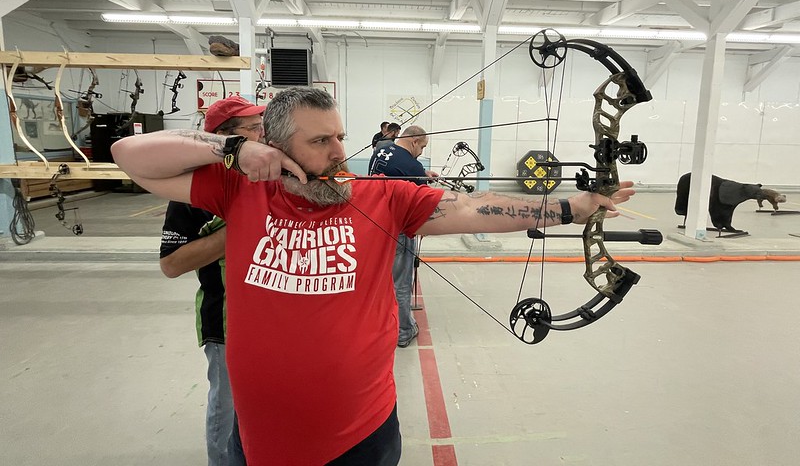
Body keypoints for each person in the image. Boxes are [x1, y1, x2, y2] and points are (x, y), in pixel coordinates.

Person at [111, 87, 634, 466]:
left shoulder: (383, 198)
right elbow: (127, 156)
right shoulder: (239, 193)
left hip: (362, 435)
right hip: (265, 432)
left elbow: (476, 207)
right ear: (275, 149)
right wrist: (228, 149)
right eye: (321, 142)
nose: (341, 152)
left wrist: (570, 206)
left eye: (339, 136)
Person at [159, 94, 265, 466]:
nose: (264, 134)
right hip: (226, 321)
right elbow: (171, 265)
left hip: (272, 321)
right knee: (228, 407)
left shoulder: (265, 178)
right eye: (254, 129)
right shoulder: (195, 190)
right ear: (225, 138)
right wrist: (237, 230)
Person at [368, 125, 438, 347]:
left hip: (376, 223)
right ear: (414, 141)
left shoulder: (382, 149)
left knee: (383, 279)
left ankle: (382, 323)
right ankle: (404, 331)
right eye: (422, 146)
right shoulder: (411, 164)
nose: (421, 152)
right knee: (401, 282)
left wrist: (421, 175)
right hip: (399, 228)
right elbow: (421, 204)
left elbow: (396, 173)